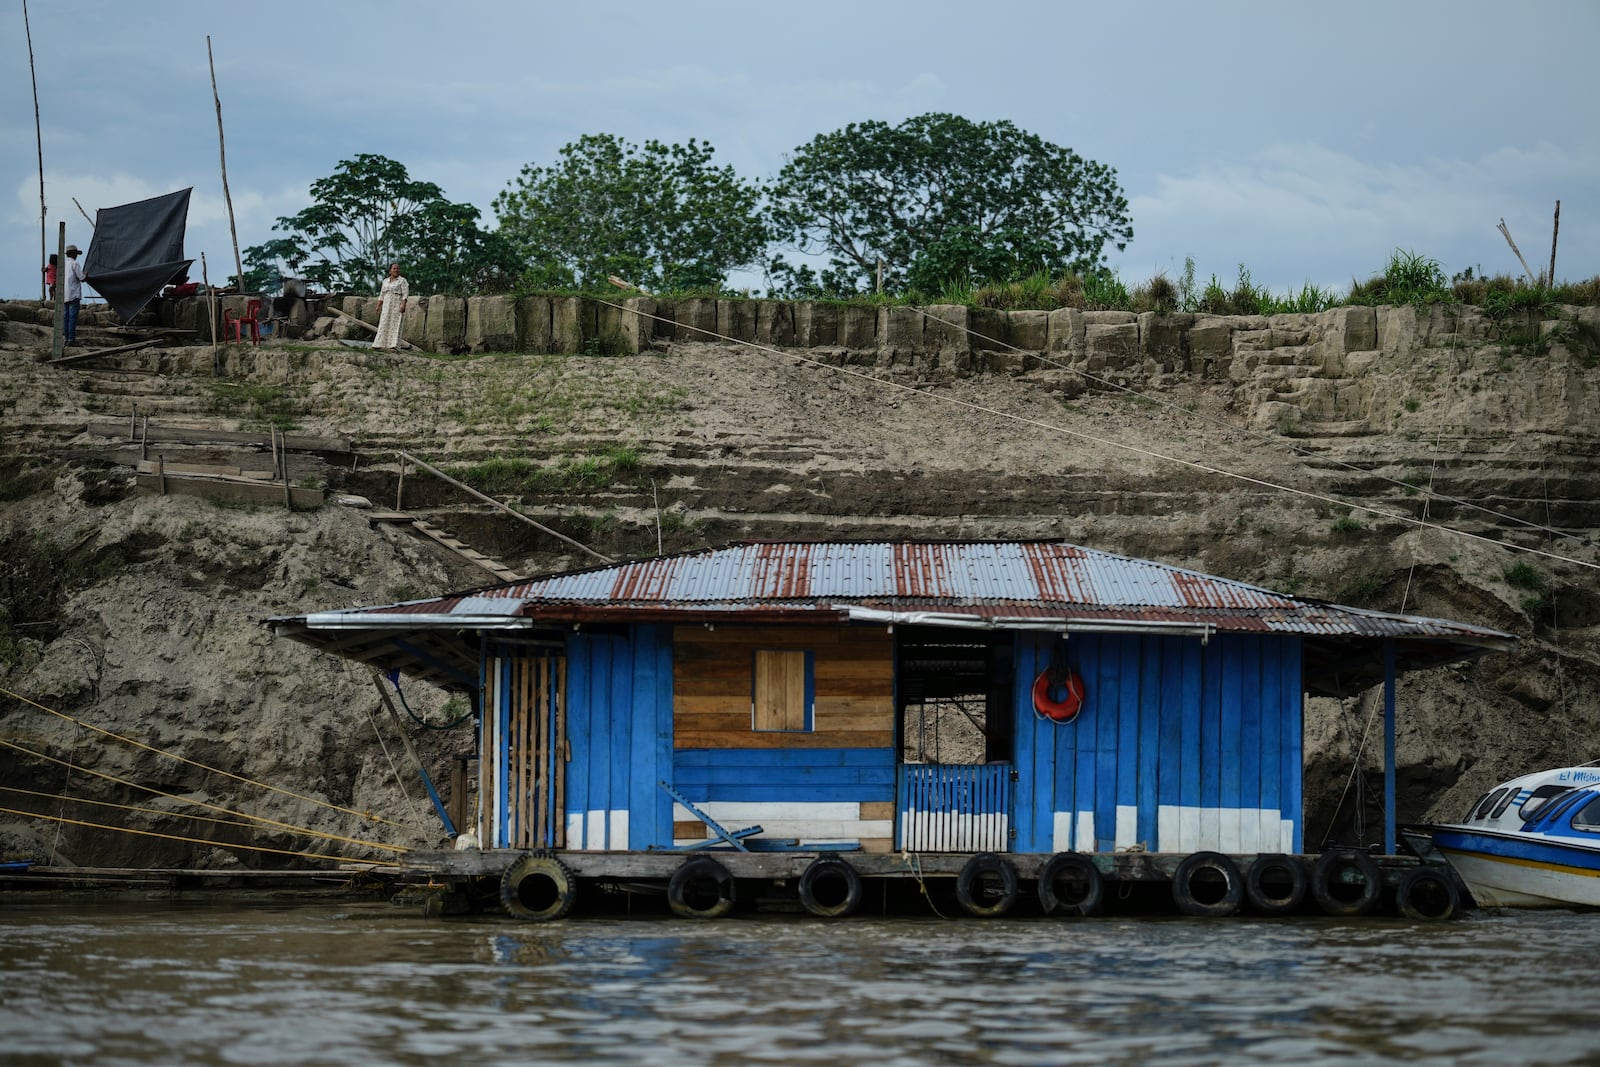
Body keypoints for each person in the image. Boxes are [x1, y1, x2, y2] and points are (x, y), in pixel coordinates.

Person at [373, 263, 408, 351]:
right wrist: (378, 306)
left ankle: (393, 345)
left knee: (395, 324)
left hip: (397, 303)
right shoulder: (385, 281)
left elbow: (405, 294)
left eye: (397, 269)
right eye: (394, 269)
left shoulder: (402, 281)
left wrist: (403, 304)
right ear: (390, 271)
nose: (396, 270)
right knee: (384, 322)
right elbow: (382, 294)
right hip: (386, 304)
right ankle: (379, 344)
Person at [62, 244, 86, 345]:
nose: (76, 255)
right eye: (75, 253)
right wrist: (86, 274)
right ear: (73, 254)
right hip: (74, 294)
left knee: (66, 318)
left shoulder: (64, 265)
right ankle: (71, 339)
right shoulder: (75, 264)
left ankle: (66, 338)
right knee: (72, 318)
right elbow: (82, 278)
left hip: (65, 295)